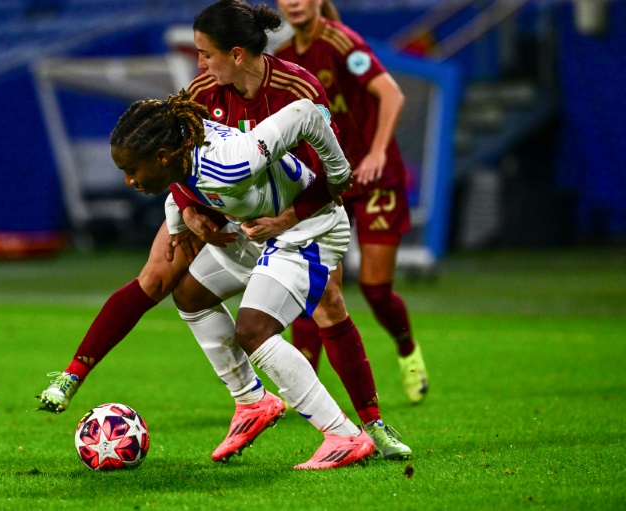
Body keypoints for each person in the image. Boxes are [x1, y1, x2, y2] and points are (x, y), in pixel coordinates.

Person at [37, 0, 410, 461]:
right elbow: (178, 160)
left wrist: (286, 218)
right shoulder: (199, 94)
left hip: (302, 220)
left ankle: (366, 428)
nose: (199, 63)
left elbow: (330, 178)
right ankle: (250, 401)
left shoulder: (297, 90)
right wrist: (192, 211)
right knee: (177, 285)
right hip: (239, 219)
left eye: (205, 53)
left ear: (236, 54)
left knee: (326, 305)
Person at [111, 90, 372, 469]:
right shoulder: (181, 154)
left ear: (162, 157)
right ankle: (252, 401)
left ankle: (343, 435)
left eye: (132, 170)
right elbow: (180, 189)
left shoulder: (229, 164)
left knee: (253, 330)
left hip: (310, 231)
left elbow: (305, 113)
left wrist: (338, 174)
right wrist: (179, 220)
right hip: (264, 232)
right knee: (190, 293)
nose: (129, 180)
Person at [265, 0, 429, 405]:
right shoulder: (283, 58)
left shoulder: (344, 44)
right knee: (318, 286)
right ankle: (304, 391)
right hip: (327, 184)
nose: (294, 2)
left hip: (375, 180)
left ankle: (407, 351)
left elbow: (391, 95)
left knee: (375, 289)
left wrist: (376, 153)